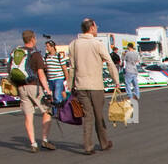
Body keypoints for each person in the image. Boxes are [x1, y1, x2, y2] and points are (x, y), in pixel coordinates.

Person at [65, 17, 120, 154]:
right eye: (96, 27)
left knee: (87, 117)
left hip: (80, 85)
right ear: (92, 28)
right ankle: (104, 142)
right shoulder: (97, 44)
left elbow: (72, 67)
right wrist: (116, 80)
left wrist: (70, 84)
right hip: (95, 85)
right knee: (98, 115)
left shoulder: (73, 44)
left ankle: (88, 146)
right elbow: (109, 62)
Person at [16, 30, 54, 152]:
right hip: (34, 86)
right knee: (47, 110)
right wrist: (47, 90)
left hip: (21, 86)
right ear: (32, 39)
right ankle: (44, 139)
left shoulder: (17, 52)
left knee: (28, 115)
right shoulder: (35, 54)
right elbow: (41, 74)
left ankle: (33, 143)